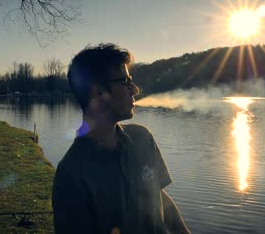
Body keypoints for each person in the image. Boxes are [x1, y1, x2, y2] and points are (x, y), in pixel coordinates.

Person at [52, 43, 190, 234]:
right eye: (125, 81)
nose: (135, 89)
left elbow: (160, 198)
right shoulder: (71, 174)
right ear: (99, 94)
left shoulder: (143, 138)